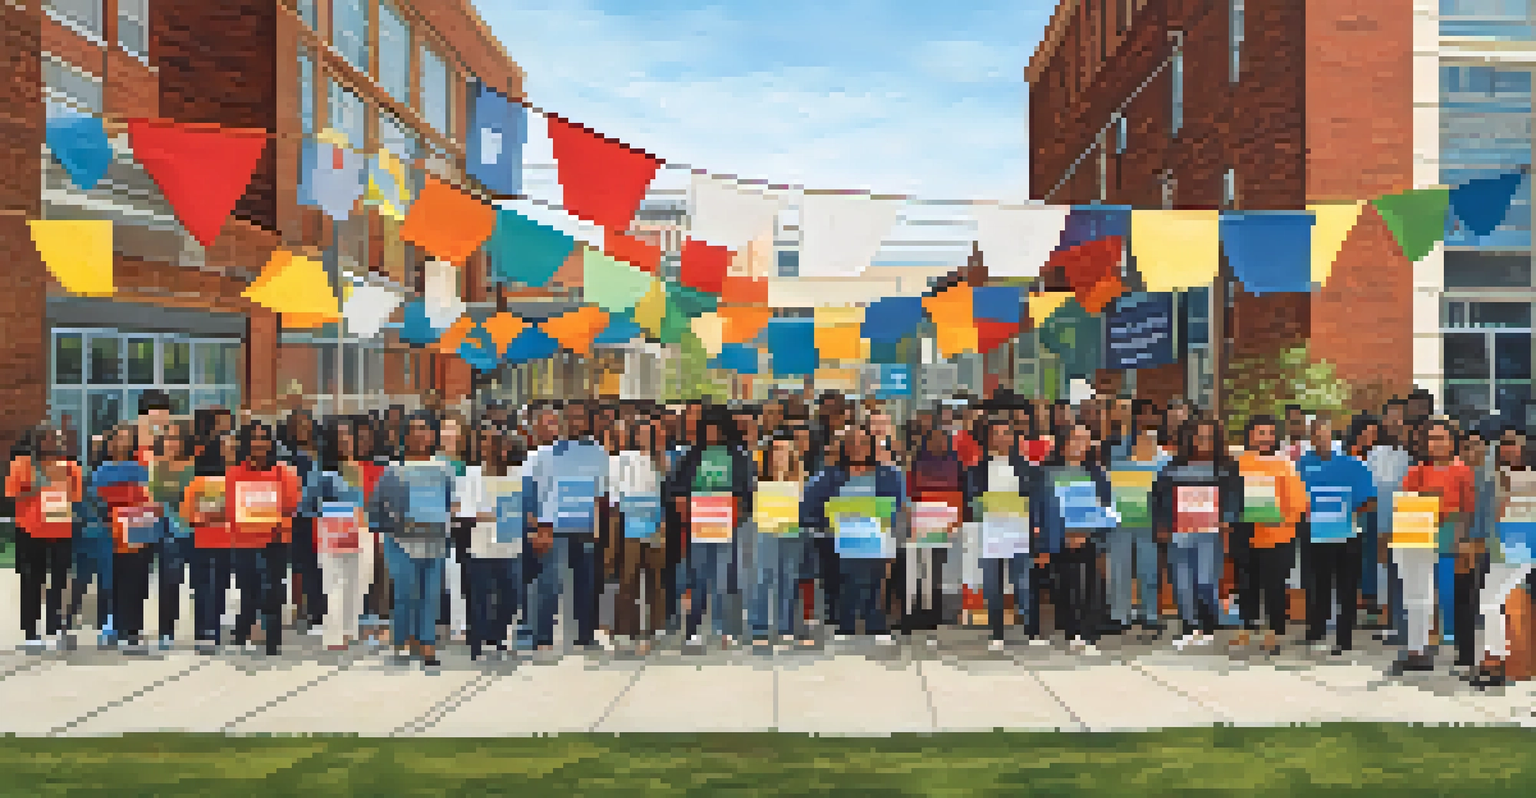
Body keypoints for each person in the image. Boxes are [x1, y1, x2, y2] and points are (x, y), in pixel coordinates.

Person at [803, 425, 905, 644]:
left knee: (875, 581)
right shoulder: (829, 474)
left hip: (877, 536)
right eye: (851, 443)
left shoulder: (888, 473)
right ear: (843, 447)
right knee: (847, 581)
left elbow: (898, 505)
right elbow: (809, 505)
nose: (857, 447)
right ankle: (846, 624)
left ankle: (874, 623)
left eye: (862, 443)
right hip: (840, 538)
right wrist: (828, 520)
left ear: (871, 446)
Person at [369, 411, 454, 666]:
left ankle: (427, 642)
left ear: (432, 435)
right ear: (406, 434)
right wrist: (393, 523)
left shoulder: (444, 469)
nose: (419, 434)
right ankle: (403, 637)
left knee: (430, 593)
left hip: (435, 539)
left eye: (424, 429)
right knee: (406, 591)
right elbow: (376, 507)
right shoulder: (394, 469)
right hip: (401, 541)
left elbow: (452, 503)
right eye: (414, 428)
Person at [1391, 419, 1473, 674]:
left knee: (1450, 596)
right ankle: (1417, 650)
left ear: (1452, 442)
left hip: (1451, 538)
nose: (1437, 444)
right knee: (1416, 594)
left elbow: (1467, 510)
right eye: (1432, 438)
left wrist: (1462, 540)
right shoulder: (1416, 471)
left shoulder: (1462, 471)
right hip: (1418, 535)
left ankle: (1461, 651)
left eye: (1442, 438)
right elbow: (1405, 503)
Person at [1152, 418, 1243, 650]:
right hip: (1179, 533)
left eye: (1209, 437)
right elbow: (1158, 499)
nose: (1204, 442)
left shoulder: (1227, 467)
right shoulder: (1172, 467)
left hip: (1210, 535)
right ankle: (1190, 627)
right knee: (1182, 582)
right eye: (1199, 437)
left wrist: (1228, 519)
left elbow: (1235, 498)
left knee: (1205, 580)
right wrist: (1161, 525)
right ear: (1188, 438)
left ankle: (1209, 625)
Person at [671, 410, 755, 650]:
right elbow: (676, 487)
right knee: (697, 578)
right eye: (707, 428)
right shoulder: (691, 456)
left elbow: (747, 490)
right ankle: (693, 629)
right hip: (698, 523)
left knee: (723, 579)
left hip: (727, 523)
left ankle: (722, 628)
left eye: (716, 428)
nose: (711, 433)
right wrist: (681, 504)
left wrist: (740, 512)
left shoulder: (738, 456)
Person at [529, 405, 610, 651]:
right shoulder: (545, 454)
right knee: (549, 584)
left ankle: (585, 636)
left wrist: (599, 532)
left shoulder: (598, 453)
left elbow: (601, 495)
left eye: (580, 417)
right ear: (562, 421)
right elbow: (536, 492)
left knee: (586, 584)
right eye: (570, 417)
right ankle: (543, 637)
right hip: (553, 527)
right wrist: (538, 527)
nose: (575, 422)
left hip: (585, 526)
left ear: (587, 421)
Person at [1297, 417, 1377, 655]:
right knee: (1316, 583)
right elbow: (1294, 497)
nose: (1320, 440)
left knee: (1347, 586)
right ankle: (1316, 630)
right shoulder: (1302, 464)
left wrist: (1348, 514)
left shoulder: (1353, 465)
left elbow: (1370, 501)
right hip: (1315, 533)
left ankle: (1344, 637)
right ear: (1310, 439)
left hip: (1346, 535)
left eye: (1325, 435)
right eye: (1316, 436)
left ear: (1334, 437)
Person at [1233, 416, 1309, 653]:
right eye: (1260, 433)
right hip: (1246, 532)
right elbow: (1230, 497)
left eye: (1269, 433)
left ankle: (1274, 632)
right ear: (1249, 435)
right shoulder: (1237, 463)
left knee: (1274, 586)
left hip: (1278, 534)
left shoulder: (1285, 464)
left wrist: (1284, 520)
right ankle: (1247, 626)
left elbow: (1298, 501)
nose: (1265, 438)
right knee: (1245, 583)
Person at [1038, 423, 1116, 654]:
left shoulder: (1096, 472)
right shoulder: (1047, 472)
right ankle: (1071, 630)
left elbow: (1106, 504)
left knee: (1089, 584)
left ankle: (1088, 632)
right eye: (1076, 439)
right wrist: (1063, 534)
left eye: (1085, 440)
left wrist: (1087, 531)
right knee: (1065, 584)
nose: (1080, 445)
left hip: (1089, 537)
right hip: (1059, 536)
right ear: (1063, 443)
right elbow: (1043, 507)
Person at [226, 421, 302, 655]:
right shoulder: (234, 473)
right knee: (248, 591)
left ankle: (272, 641)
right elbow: (231, 508)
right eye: (254, 438)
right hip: (245, 541)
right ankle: (242, 633)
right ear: (246, 443)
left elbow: (291, 504)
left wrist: (264, 510)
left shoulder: (284, 472)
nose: (259, 443)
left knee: (273, 591)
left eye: (263, 438)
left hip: (275, 541)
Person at [461, 419, 533, 660]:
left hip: (511, 548)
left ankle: (497, 636)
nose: (501, 450)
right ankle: (478, 643)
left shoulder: (518, 473)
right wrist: (496, 516)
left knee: (512, 598)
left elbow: (526, 506)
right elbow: (465, 512)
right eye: (494, 445)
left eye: (504, 445)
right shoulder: (472, 474)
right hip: (480, 548)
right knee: (479, 598)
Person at [302, 418, 375, 651]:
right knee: (335, 582)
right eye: (341, 435)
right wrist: (331, 512)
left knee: (359, 582)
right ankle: (334, 635)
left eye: (349, 435)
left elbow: (362, 501)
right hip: (335, 528)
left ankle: (349, 630)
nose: (346, 440)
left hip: (361, 529)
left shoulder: (357, 466)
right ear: (332, 440)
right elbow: (306, 505)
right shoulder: (322, 470)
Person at [7, 426, 82, 650]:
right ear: (37, 441)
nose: (52, 442)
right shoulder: (22, 464)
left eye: (56, 439)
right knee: (32, 581)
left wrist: (56, 488)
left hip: (61, 530)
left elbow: (76, 495)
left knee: (59, 581)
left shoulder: (70, 466)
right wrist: (42, 488)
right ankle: (30, 630)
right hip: (30, 531)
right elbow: (12, 493)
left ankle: (54, 626)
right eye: (48, 438)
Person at [969, 417, 1039, 650]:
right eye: (995, 433)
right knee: (992, 584)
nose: (1000, 437)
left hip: (1019, 529)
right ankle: (996, 633)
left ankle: (1032, 631)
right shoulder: (977, 468)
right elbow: (972, 501)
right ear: (988, 438)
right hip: (990, 531)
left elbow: (1034, 499)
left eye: (1005, 432)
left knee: (1023, 582)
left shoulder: (1026, 467)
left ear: (1013, 438)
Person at [1476, 427, 1536, 687]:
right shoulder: (1491, 480)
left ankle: (1504, 664)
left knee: (1509, 607)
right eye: (1504, 443)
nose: (1508, 448)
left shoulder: (1531, 479)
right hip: (1497, 550)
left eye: (1513, 443)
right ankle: (1496, 661)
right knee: (1493, 605)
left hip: (1522, 552)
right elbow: (1484, 515)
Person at [88, 425, 155, 653]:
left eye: (128, 438)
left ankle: (133, 629)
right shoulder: (101, 471)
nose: (122, 442)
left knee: (136, 580)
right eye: (118, 438)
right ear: (111, 442)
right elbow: (95, 502)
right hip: (110, 534)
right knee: (111, 580)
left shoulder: (142, 469)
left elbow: (147, 499)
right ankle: (112, 625)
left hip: (136, 532)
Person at [750, 432, 813, 647]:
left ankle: (785, 626)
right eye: (776, 450)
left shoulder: (801, 479)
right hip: (766, 529)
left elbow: (806, 508)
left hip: (791, 531)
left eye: (784, 450)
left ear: (791, 454)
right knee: (764, 576)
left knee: (788, 577)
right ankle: (759, 626)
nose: (779, 455)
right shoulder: (758, 478)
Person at [1107, 424, 1168, 635]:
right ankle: (1119, 615)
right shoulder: (1115, 456)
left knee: (1149, 569)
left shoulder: (1164, 460)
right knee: (1118, 569)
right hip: (1120, 520)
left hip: (1148, 520)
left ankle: (1150, 613)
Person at [905, 428, 963, 633]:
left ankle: (937, 614)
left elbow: (962, 491)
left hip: (947, 524)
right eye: (934, 439)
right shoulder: (917, 462)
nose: (938, 444)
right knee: (919, 569)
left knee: (939, 570)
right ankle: (916, 613)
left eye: (942, 440)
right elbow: (910, 491)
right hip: (921, 522)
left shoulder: (956, 463)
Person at [184, 430, 236, 653]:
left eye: (234, 447)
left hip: (229, 541)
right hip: (203, 539)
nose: (231, 451)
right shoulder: (199, 482)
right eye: (227, 447)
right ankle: (203, 632)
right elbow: (188, 512)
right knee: (203, 585)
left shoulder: (242, 477)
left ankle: (212, 631)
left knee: (220, 586)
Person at [148, 422, 196, 649]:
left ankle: (204, 630)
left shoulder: (194, 467)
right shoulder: (155, 467)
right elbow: (151, 500)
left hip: (195, 531)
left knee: (201, 584)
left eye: (176, 438)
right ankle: (166, 632)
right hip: (168, 534)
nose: (171, 443)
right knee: (169, 583)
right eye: (168, 438)